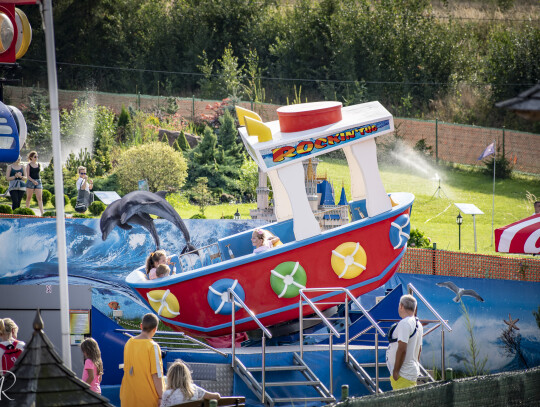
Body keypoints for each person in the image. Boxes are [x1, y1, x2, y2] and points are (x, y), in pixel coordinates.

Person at [120, 313, 164, 407]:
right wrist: (161, 396)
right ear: (155, 329)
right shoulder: (153, 347)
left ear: (141, 326)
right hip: (147, 399)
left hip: (127, 398)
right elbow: (156, 375)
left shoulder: (129, 343)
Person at [385, 294, 423, 391]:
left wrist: (396, 371)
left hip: (403, 374)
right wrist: (416, 363)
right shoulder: (418, 323)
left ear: (401, 306)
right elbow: (419, 348)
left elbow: (402, 348)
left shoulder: (405, 323)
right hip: (409, 371)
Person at [25, 151, 44, 216]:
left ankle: (42, 213)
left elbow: (38, 174)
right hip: (30, 182)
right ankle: (27, 212)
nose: (36, 158)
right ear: (31, 157)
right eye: (35, 157)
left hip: (38, 181)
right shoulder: (28, 165)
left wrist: (38, 181)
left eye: (37, 156)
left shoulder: (38, 164)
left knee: (40, 198)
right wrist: (33, 181)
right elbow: (28, 176)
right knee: (29, 198)